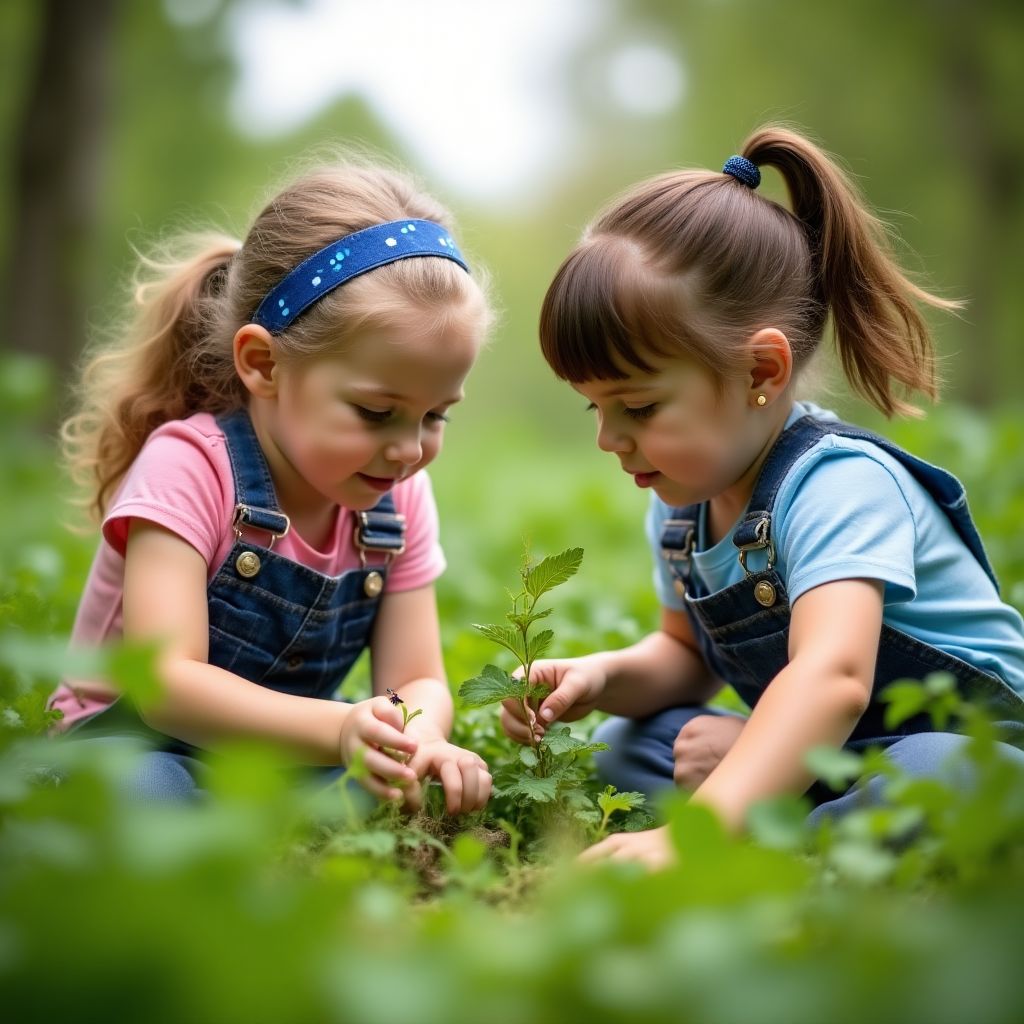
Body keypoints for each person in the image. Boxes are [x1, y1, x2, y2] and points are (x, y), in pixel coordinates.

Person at [503, 125, 1024, 867]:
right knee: (634, 743)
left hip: (952, 746)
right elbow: (685, 659)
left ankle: (751, 830)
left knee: (944, 776)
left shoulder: (838, 486)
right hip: (826, 750)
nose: (610, 438)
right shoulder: (684, 502)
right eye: (597, 408)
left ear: (760, 372)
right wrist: (601, 677)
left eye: (640, 407)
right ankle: (790, 814)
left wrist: (690, 839)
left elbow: (832, 678)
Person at [52, 156, 493, 814]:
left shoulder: (395, 498)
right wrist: (341, 729)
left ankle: (266, 832)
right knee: (144, 795)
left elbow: (418, 678)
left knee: (388, 795)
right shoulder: (191, 466)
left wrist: (417, 735)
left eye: (435, 416)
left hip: (286, 750)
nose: (408, 449)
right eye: (376, 412)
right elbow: (164, 686)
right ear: (263, 364)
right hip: (136, 745)